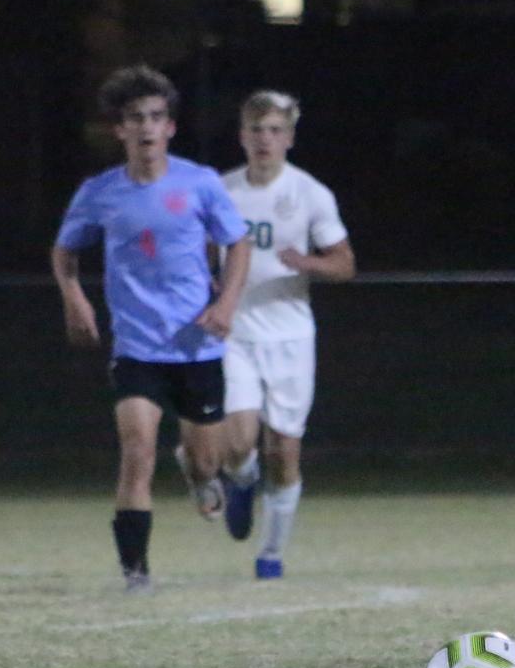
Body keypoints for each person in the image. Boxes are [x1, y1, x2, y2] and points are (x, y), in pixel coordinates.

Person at [51, 65, 251, 592]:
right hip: (137, 347)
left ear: (170, 128)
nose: (146, 127)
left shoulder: (200, 182)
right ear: (119, 129)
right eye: (135, 118)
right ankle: (135, 571)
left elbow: (240, 244)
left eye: (156, 117)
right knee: (137, 448)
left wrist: (226, 303)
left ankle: (200, 472)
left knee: (209, 460)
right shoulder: (100, 191)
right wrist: (74, 298)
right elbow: (65, 251)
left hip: (197, 344)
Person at [211, 90, 354, 579]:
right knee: (235, 443)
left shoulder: (310, 193)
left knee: (283, 452)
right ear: (242, 136)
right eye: (255, 130)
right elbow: (201, 249)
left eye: (274, 130)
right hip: (235, 333)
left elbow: (344, 263)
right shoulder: (222, 190)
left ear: (289, 138)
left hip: (291, 336)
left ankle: (271, 554)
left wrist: (308, 263)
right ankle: (240, 480)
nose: (264, 139)